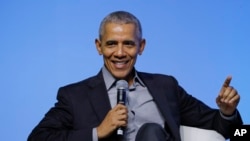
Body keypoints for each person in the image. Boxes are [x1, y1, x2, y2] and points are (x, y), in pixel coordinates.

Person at [28, 11, 243, 141]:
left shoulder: (165, 86)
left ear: (141, 46)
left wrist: (227, 113)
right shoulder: (74, 96)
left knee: (151, 132)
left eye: (128, 44)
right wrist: (98, 132)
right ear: (98, 46)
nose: (120, 53)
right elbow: (38, 138)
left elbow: (228, 132)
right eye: (112, 43)